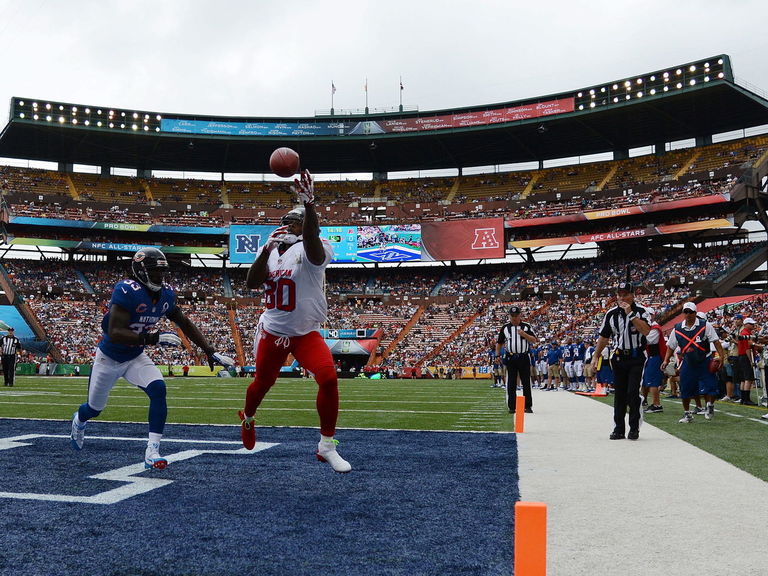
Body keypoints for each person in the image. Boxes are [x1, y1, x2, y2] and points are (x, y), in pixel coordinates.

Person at [69, 247, 234, 469]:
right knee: (94, 408)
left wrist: (208, 349)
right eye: (155, 272)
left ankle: (152, 450)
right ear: (140, 271)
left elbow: (183, 322)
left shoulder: (166, 294)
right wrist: (153, 338)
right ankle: (79, 421)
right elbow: (115, 332)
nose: (160, 276)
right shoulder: (127, 290)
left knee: (158, 389)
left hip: (135, 357)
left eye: (162, 272)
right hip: (109, 358)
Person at [238, 170, 351, 473]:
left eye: (294, 220)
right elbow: (251, 282)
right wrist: (265, 250)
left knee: (328, 377)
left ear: (305, 225)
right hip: (273, 331)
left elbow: (312, 243)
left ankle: (326, 445)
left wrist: (310, 204)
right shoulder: (275, 252)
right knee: (263, 383)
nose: (288, 224)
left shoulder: (315, 246)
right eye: (285, 220)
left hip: (305, 332)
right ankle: (247, 417)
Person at [590, 282, 651, 440]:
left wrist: (630, 314)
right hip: (618, 357)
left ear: (633, 295)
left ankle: (634, 427)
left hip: (636, 356)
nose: (622, 297)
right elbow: (604, 337)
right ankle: (618, 428)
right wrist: (595, 356)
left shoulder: (642, 311)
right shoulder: (611, 314)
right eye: (620, 294)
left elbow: (646, 331)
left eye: (625, 294)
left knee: (632, 393)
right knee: (620, 394)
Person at [661, 302, 725, 423]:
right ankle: (687, 414)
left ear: (695, 313)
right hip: (688, 362)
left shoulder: (705, 325)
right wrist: (665, 360)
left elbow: (716, 341)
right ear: (683, 313)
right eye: (686, 312)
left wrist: (721, 357)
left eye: (691, 312)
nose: (688, 314)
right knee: (685, 388)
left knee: (712, 387)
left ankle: (710, 405)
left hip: (704, 360)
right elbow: (671, 346)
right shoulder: (677, 328)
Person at [495, 306, 538, 413]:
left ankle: (527, 406)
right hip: (511, 357)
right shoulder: (505, 327)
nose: (514, 318)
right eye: (512, 316)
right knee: (511, 382)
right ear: (509, 316)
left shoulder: (526, 326)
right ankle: (512, 407)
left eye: (516, 315)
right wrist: (497, 355)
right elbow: (499, 342)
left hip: (523, 356)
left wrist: (524, 334)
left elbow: (534, 340)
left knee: (526, 382)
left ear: (520, 315)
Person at [641, 307, 666, 413]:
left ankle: (656, 404)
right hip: (651, 357)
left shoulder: (655, 328)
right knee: (648, 380)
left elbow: (648, 340)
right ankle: (650, 402)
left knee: (653, 381)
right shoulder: (651, 327)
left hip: (655, 357)